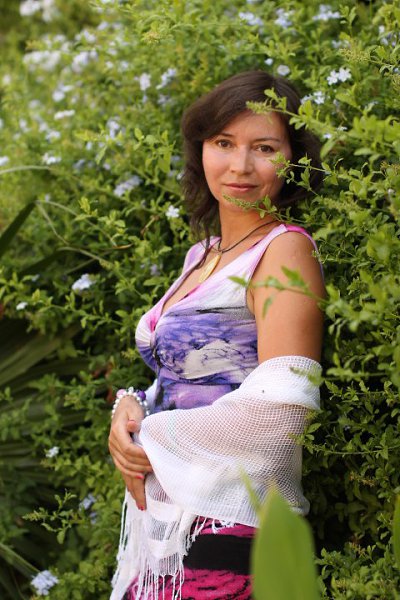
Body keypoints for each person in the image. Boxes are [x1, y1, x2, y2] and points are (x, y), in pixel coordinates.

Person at [108, 70, 325, 600]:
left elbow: (282, 414)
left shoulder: (284, 251)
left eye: (264, 147)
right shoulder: (201, 255)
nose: (240, 166)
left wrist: (151, 438)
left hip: (231, 530)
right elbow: (185, 381)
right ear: (201, 148)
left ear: (294, 160)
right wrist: (129, 408)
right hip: (169, 531)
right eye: (223, 143)